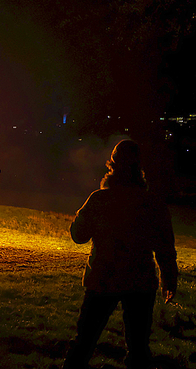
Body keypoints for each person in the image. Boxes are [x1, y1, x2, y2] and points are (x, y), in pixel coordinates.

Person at [63, 140, 178, 369]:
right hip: (140, 280)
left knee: (84, 341)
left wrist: (79, 217)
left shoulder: (99, 199)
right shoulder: (151, 202)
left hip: (102, 278)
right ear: (139, 167)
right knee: (138, 348)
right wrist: (169, 278)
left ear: (111, 165)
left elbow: (78, 236)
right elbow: (165, 246)